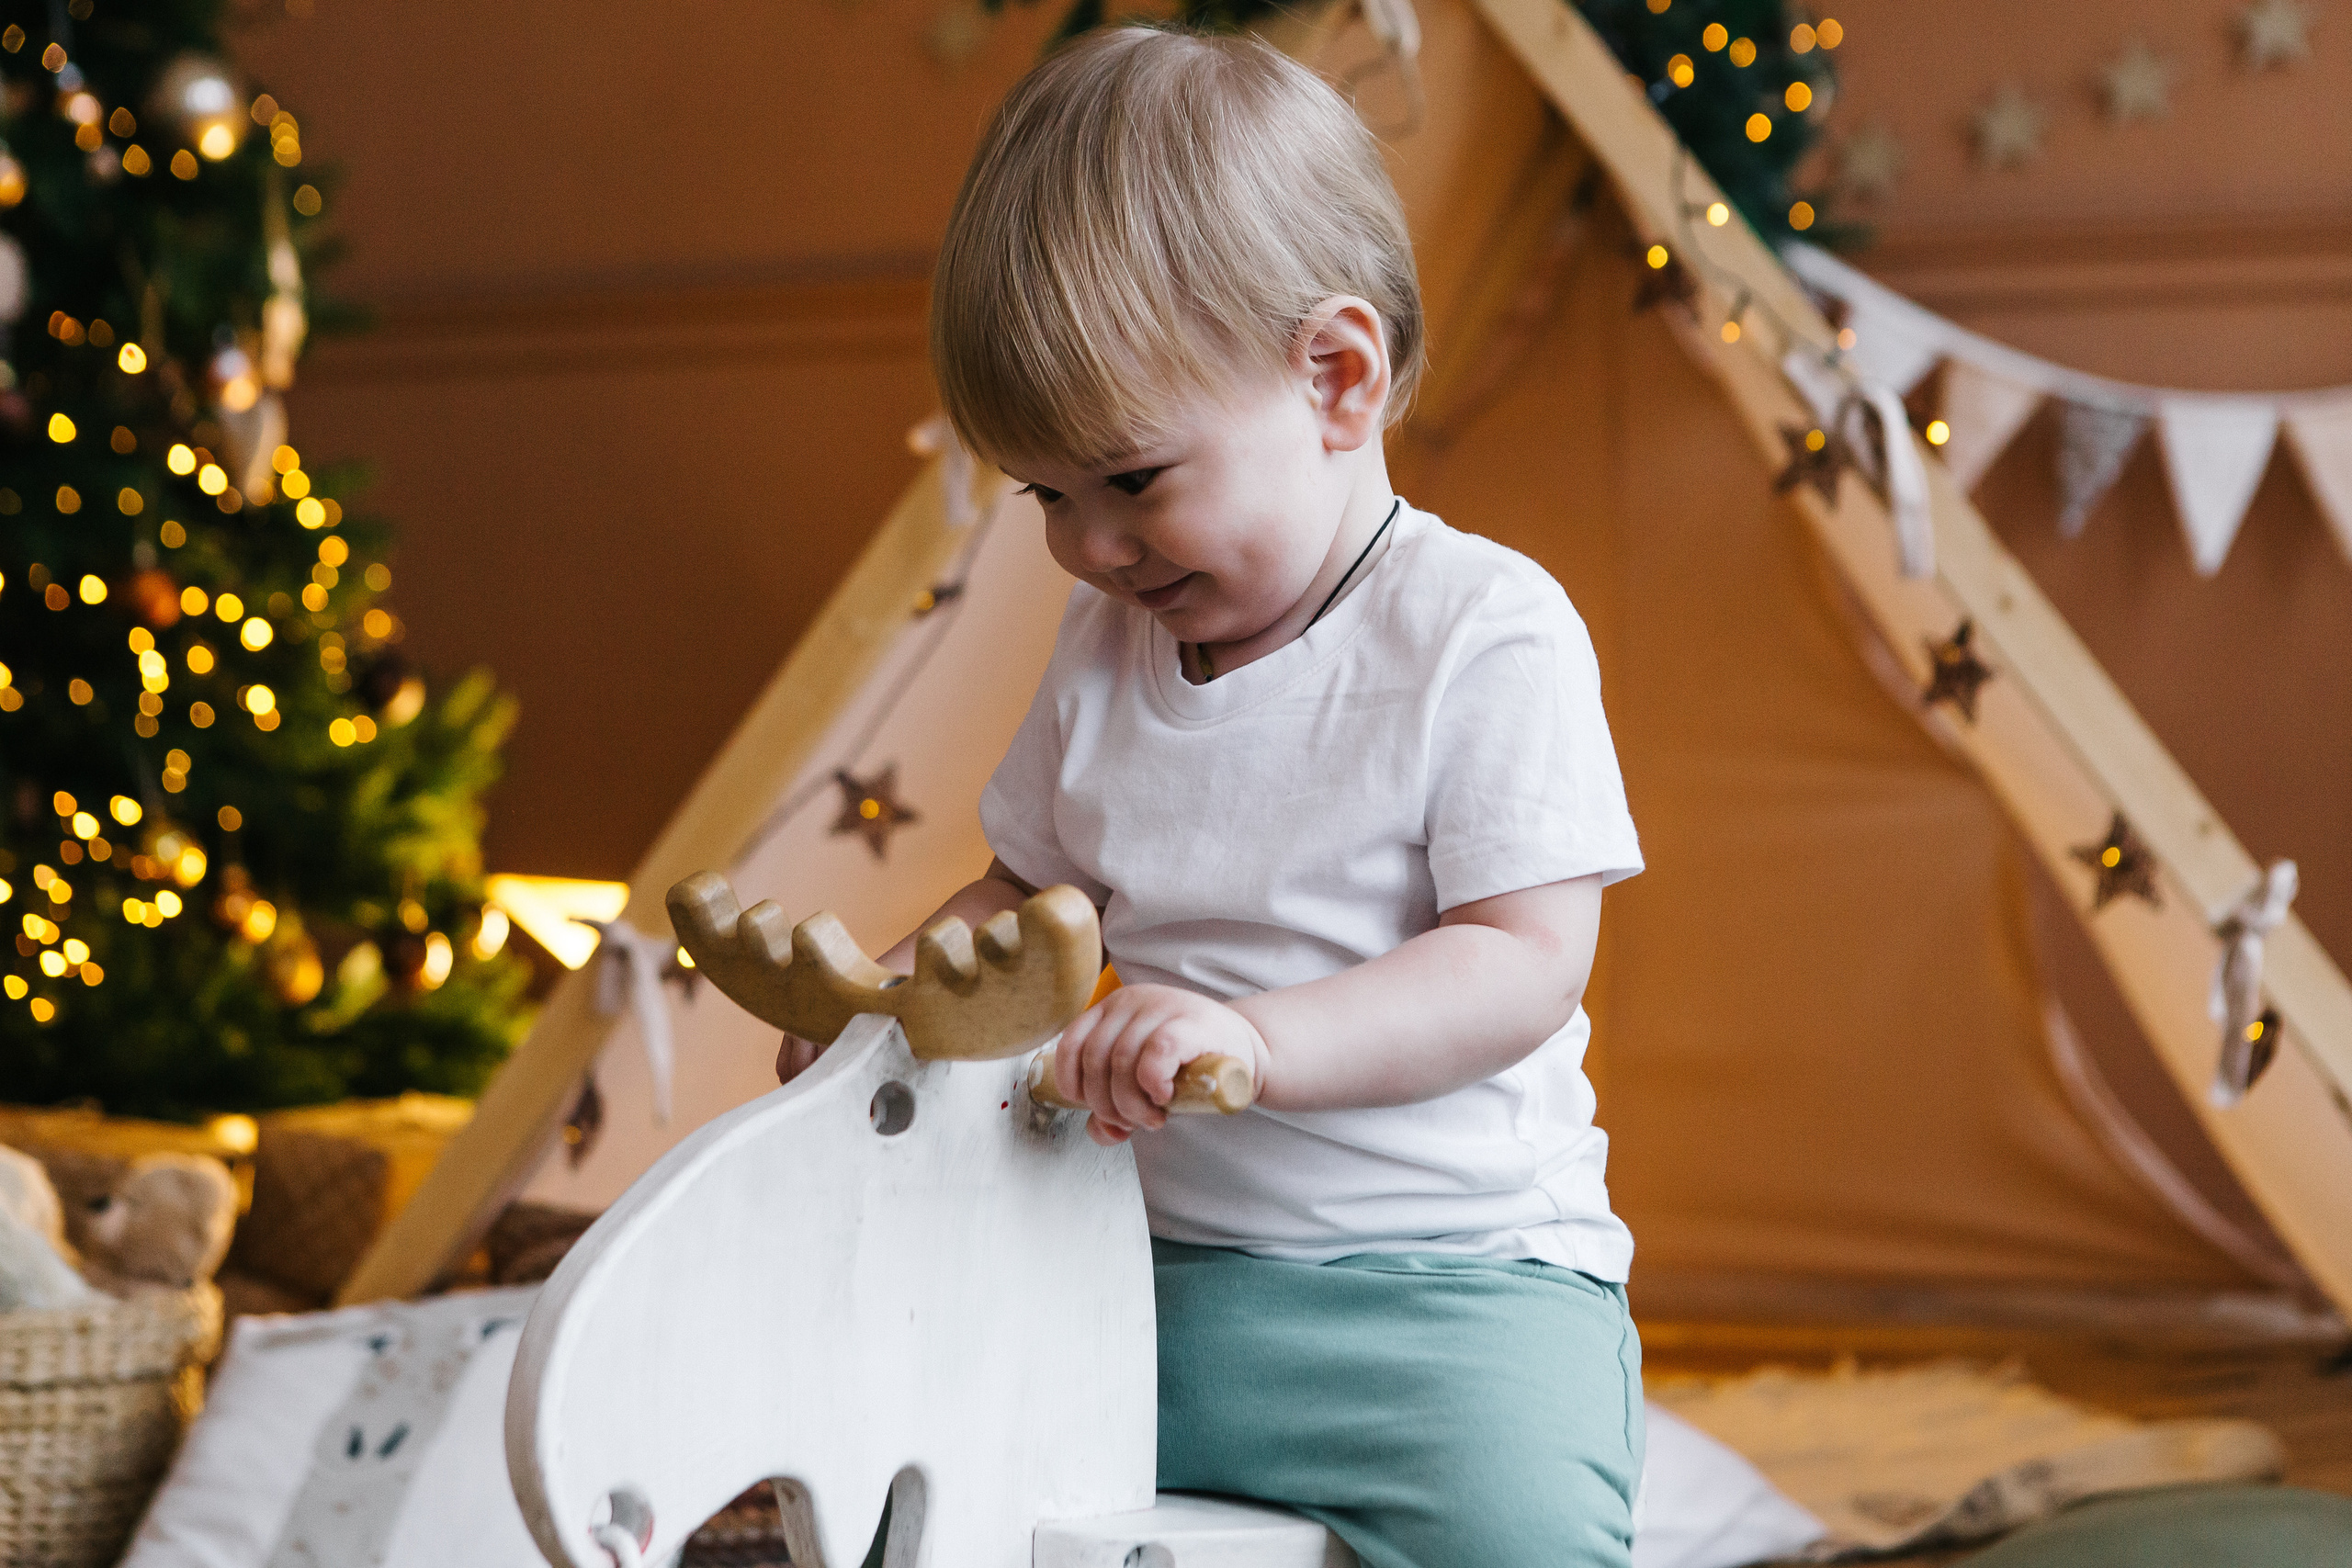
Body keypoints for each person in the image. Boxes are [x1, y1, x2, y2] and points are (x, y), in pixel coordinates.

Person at [780, 26, 1645, 1567]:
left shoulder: (1482, 630)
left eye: (1130, 480)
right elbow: (1021, 899)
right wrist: (893, 1006)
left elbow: (1523, 958)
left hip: (1447, 1308)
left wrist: (1259, 1040)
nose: (1091, 546)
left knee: (1521, 1542)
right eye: (1047, 496)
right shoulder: (1108, 649)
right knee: (920, 1483)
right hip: (1136, 1279)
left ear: (1335, 377)